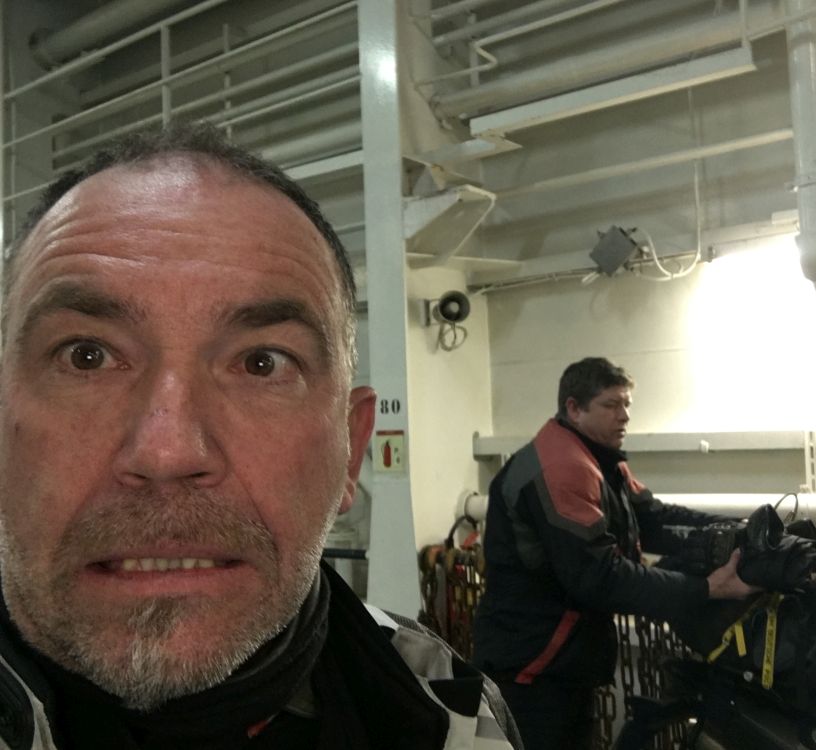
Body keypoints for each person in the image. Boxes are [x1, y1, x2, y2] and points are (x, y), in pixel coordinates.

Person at [0, 122, 521, 749]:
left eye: (261, 363)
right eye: (86, 356)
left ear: (350, 450)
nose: (168, 452)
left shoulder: (458, 719)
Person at [472, 357, 758, 750]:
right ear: (574, 408)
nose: (624, 416)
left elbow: (652, 520)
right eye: (611, 405)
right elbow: (601, 577)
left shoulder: (599, 461)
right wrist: (707, 588)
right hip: (531, 670)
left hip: (562, 664)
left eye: (626, 404)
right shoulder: (561, 467)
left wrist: (739, 530)